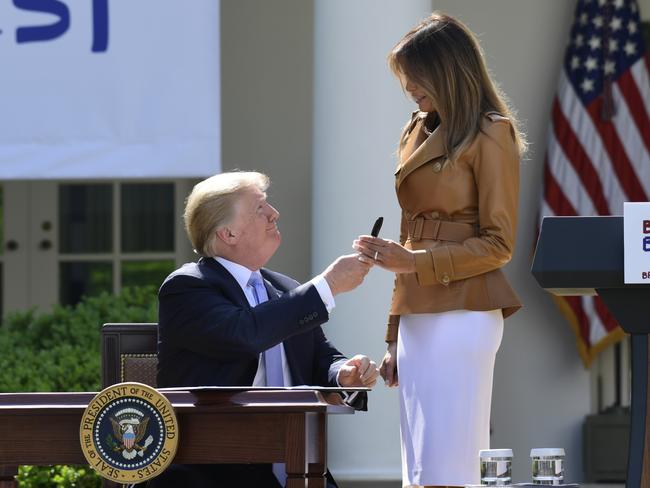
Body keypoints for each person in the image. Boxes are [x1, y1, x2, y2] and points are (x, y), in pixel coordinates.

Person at [353, 12, 526, 488]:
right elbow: (410, 237)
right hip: (418, 316)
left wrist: (413, 262)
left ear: (448, 70)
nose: (408, 87)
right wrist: (393, 335)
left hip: (464, 309)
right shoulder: (415, 131)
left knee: (448, 465)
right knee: (420, 469)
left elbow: (499, 244)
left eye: (415, 75)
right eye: (403, 78)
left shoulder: (492, 133)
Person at [153, 171, 379, 488]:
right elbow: (246, 334)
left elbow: (319, 358)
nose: (274, 213)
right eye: (260, 208)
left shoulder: (284, 287)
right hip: (217, 474)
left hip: (301, 466)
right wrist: (327, 286)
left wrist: (344, 373)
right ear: (228, 233)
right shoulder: (188, 287)